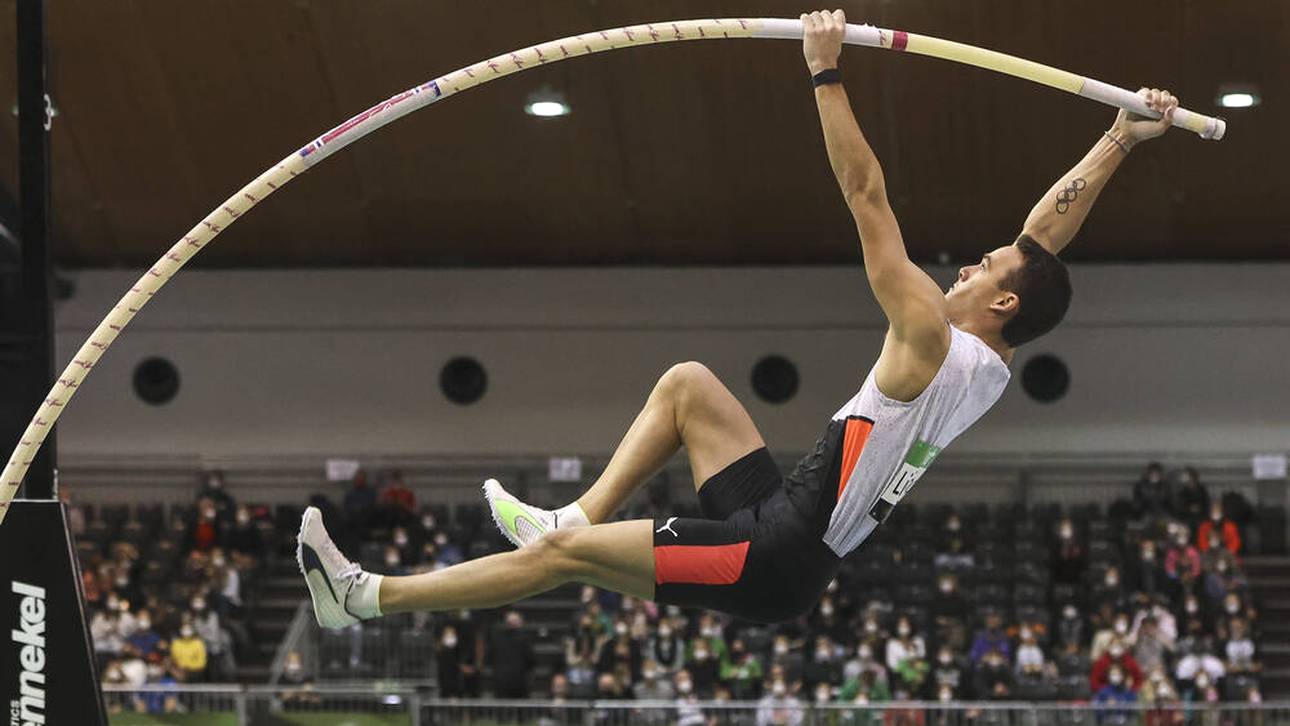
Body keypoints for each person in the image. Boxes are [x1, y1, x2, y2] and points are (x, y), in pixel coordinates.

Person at [297, 9, 1182, 631]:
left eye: (985, 267)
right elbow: (1043, 238)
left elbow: (866, 195)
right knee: (688, 388)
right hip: (787, 515)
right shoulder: (989, 360)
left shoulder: (929, 338)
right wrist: (1118, 137)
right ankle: (571, 513)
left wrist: (825, 68)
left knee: (567, 568)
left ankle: (369, 598)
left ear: (1001, 303)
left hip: (775, 558)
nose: (969, 263)